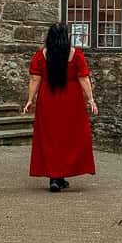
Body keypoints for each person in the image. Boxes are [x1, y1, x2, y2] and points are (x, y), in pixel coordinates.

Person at [22, 22, 97, 191]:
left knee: (50, 137)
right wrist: (91, 99)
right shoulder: (75, 55)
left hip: (48, 98)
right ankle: (60, 175)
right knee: (69, 137)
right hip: (71, 100)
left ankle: (54, 177)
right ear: (66, 37)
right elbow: (84, 79)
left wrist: (30, 99)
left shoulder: (41, 55)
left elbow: (35, 79)